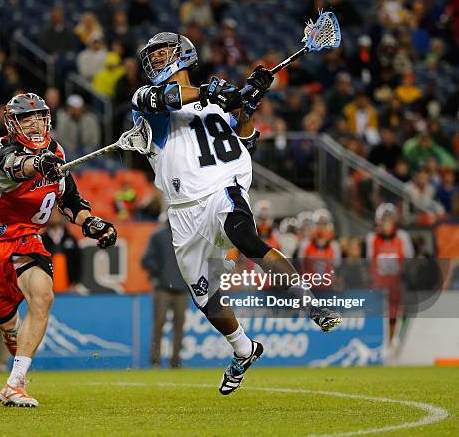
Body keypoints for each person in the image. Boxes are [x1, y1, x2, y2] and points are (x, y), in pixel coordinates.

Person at [132, 32, 341, 395]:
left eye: (163, 53)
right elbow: (165, 100)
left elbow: (243, 142)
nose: (156, 61)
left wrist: (249, 103)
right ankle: (244, 350)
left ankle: (310, 302)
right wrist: (216, 92)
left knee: (244, 236)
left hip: (220, 189)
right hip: (182, 212)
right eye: (153, 55)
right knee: (205, 297)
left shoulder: (217, 102)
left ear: (184, 55)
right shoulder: (145, 101)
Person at [0, 93, 117, 407]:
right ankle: (11, 333)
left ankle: (15, 383)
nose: (35, 123)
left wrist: (91, 222)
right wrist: (37, 163)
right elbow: (15, 167)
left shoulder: (56, 151)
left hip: (26, 235)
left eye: (39, 116)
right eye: (26, 118)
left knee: (43, 296)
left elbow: (69, 201)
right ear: (13, 124)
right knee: (8, 324)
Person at [142, 216, 189, 368]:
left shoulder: (187, 236)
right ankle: (156, 359)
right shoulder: (158, 235)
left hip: (181, 289)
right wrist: (161, 273)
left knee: (177, 326)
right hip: (164, 288)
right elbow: (146, 260)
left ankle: (175, 360)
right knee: (160, 324)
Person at [365, 204, 414, 337]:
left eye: (389, 219)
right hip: (379, 283)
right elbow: (370, 262)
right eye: (384, 219)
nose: (387, 223)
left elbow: (409, 261)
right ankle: (380, 343)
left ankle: (394, 342)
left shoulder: (402, 237)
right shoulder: (372, 238)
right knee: (378, 315)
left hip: (397, 282)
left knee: (397, 314)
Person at [41, 208, 82, 292]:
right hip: (46, 288)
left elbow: (78, 261)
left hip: (69, 287)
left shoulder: (71, 238)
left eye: (56, 213)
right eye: (51, 213)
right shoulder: (41, 240)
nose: (54, 216)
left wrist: (76, 282)